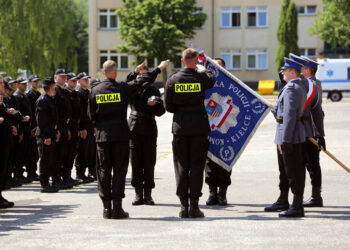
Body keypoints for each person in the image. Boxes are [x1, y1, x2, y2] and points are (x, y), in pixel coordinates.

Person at [88, 59, 169, 219]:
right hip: (120, 135)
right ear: (116, 72)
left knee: (103, 171)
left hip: (103, 135)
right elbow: (143, 80)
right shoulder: (122, 89)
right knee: (119, 171)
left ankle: (106, 208)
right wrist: (158, 69)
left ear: (103, 72)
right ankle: (117, 207)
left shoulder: (95, 90)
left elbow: (91, 115)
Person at [164, 48, 216, 218]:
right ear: (195, 61)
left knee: (181, 166)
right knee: (196, 166)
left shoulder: (173, 80)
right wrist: (203, 69)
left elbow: (168, 107)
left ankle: (183, 206)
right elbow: (212, 78)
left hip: (180, 127)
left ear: (182, 61)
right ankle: (194, 206)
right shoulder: (201, 77)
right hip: (199, 128)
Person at [265, 57, 307, 218]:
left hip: (289, 134)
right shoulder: (297, 86)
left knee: (293, 171)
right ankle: (286, 201)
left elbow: (289, 115)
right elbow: (284, 111)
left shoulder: (292, 88)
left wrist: (287, 139)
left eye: (285, 70)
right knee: (286, 170)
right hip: (287, 131)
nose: (282, 72)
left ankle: (297, 206)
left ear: (292, 72)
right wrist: (275, 109)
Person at [127, 65, 166, 206]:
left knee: (149, 162)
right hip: (134, 127)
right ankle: (138, 193)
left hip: (149, 126)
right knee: (136, 162)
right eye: (139, 75)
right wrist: (135, 71)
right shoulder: (132, 88)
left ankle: (148, 193)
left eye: (144, 75)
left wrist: (153, 105)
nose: (141, 77)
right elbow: (127, 81)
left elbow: (161, 111)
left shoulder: (154, 90)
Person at [205, 58, 232, 206]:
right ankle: (212, 193)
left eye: (219, 65)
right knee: (209, 163)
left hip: (226, 129)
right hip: (210, 129)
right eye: (213, 65)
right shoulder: (205, 82)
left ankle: (222, 193)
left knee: (225, 162)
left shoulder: (232, 83)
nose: (216, 68)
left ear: (225, 67)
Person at [300, 56, 325, 207]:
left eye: (301, 69)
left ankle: (316, 197)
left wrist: (319, 134)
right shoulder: (312, 83)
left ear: (308, 70)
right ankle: (315, 196)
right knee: (311, 164)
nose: (299, 71)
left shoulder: (312, 85)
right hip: (311, 130)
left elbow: (316, 112)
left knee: (312, 164)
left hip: (310, 131)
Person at [35, 78, 60, 193]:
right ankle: (44, 185)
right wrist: (46, 137)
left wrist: (55, 131)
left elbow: (52, 119)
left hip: (51, 133)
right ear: (49, 88)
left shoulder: (50, 99)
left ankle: (48, 183)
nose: (55, 89)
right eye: (53, 87)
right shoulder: (42, 100)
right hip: (45, 135)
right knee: (44, 160)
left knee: (50, 159)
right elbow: (41, 121)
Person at [54, 68, 72, 189]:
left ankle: (63, 178)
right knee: (57, 154)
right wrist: (56, 129)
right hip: (59, 124)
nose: (64, 78)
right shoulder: (54, 91)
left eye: (65, 76)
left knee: (64, 153)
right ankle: (56, 179)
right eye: (61, 76)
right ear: (55, 78)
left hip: (65, 124)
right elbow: (54, 112)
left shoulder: (64, 91)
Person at [75, 72, 95, 183]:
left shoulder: (89, 92)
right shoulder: (78, 94)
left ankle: (86, 172)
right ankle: (80, 174)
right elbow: (80, 113)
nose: (86, 81)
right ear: (79, 81)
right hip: (83, 127)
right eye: (84, 79)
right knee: (81, 151)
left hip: (90, 126)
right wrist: (81, 128)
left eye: (87, 79)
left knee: (89, 151)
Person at [12, 77, 32, 184]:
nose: (24, 85)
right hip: (21, 127)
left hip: (27, 127)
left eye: (25, 84)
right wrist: (20, 130)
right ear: (17, 85)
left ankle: (21, 173)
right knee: (19, 152)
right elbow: (16, 114)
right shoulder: (16, 97)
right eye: (22, 84)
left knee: (25, 152)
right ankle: (17, 174)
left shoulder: (25, 96)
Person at [63, 73, 81, 186]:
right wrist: (67, 129)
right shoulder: (64, 93)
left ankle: (68, 176)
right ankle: (64, 176)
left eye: (75, 81)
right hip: (68, 127)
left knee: (72, 153)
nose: (74, 83)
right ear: (67, 81)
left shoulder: (76, 94)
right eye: (72, 81)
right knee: (66, 153)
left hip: (75, 127)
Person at [26, 74, 41, 181]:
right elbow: (29, 112)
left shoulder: (39, 94)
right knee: (30, 151)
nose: (36, 83)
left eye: (37, 81)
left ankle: (33, 171)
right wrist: (32, 127)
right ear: (30, 83)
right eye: (34, 81)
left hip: (38, 125)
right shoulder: (28, 95)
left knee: (36, 152)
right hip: (32, 126)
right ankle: (30, 172)